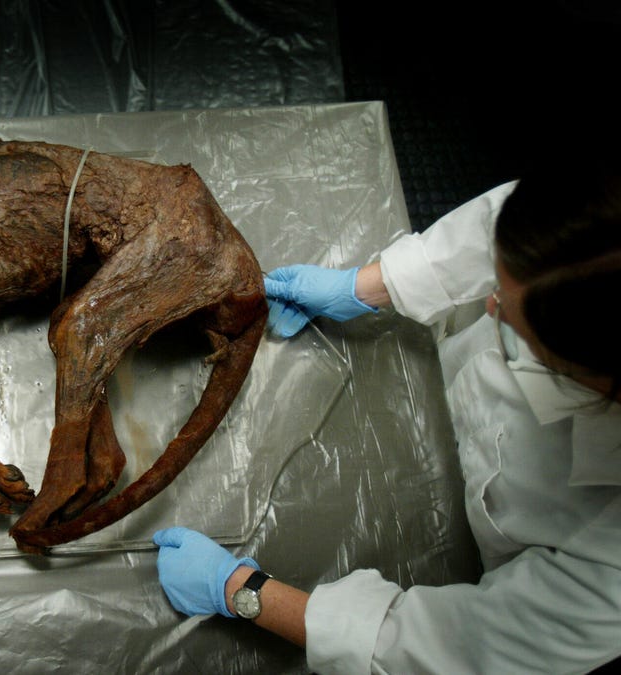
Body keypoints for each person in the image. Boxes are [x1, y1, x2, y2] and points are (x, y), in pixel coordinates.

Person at [153, 164, 621, 672]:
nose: (490, 305)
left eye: (521, 327)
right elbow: (505, 229)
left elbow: (460, 650)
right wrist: (368, 287)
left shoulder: (610, 559)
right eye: (502, 287)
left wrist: (244, 591)